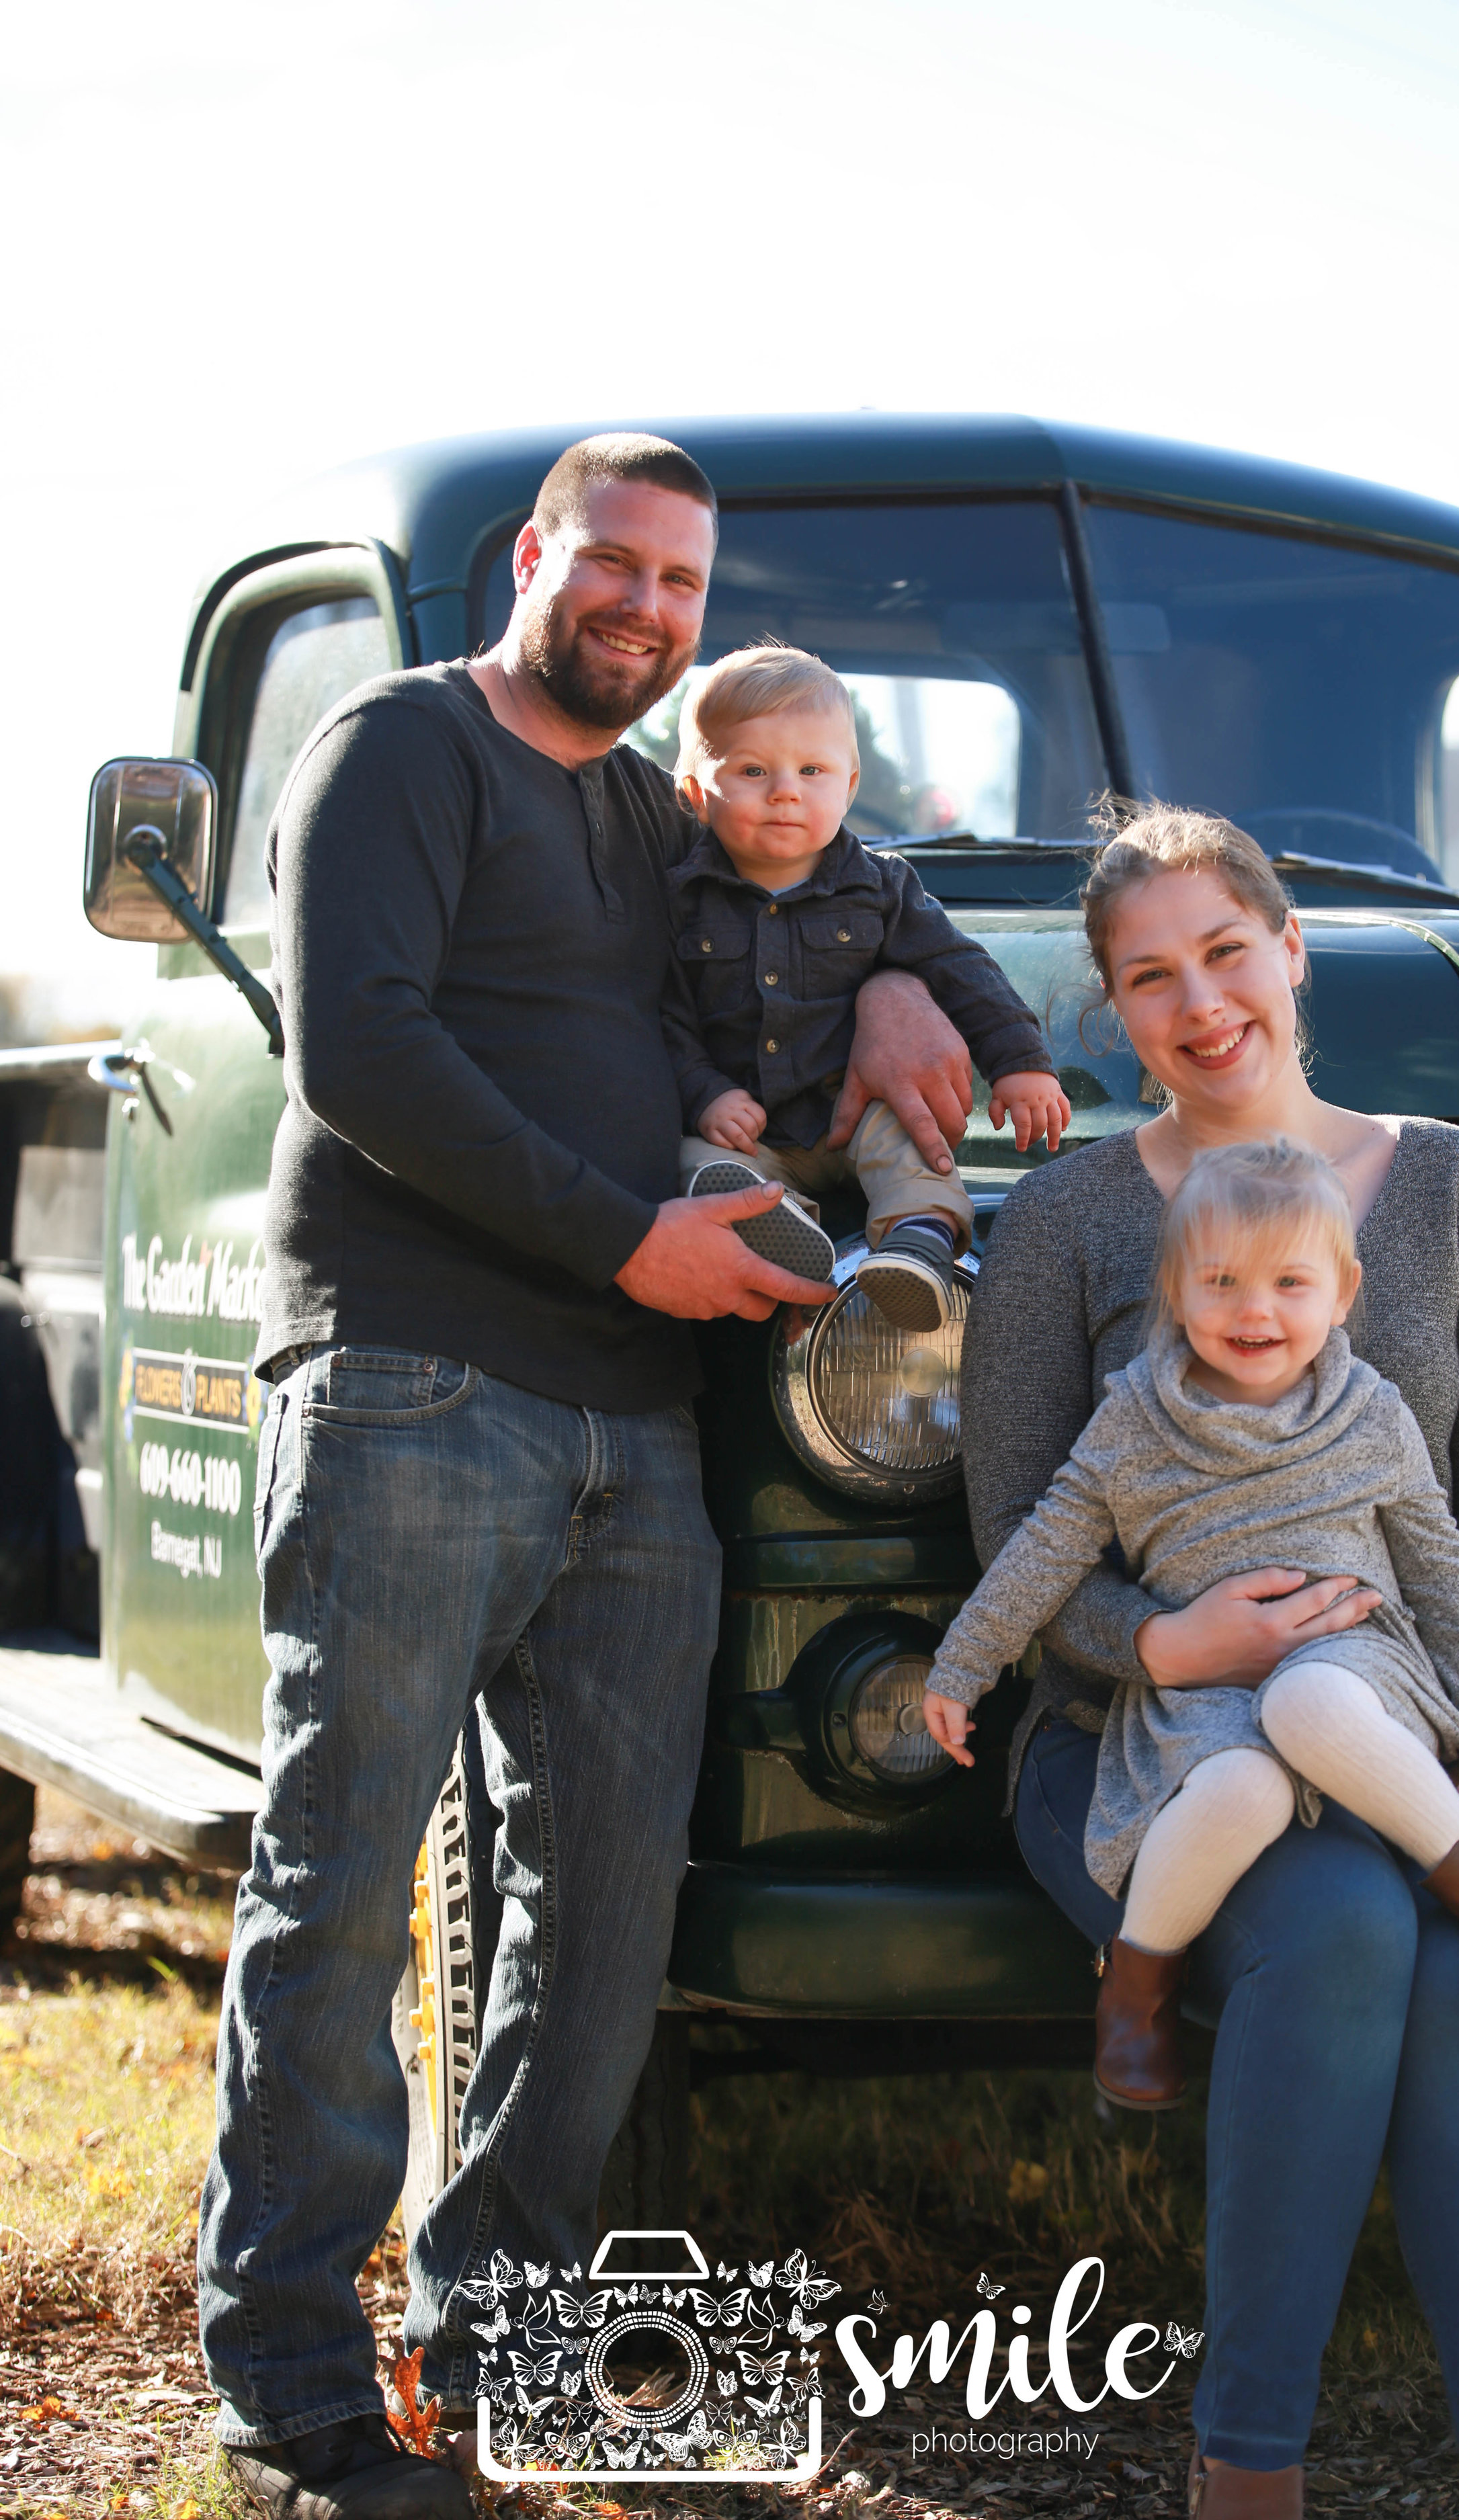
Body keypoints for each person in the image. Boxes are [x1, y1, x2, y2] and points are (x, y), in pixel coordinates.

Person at [200, 433, 978, 2520]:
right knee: (343, 1881)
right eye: (612, 563)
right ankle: (287, 2386)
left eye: (681, 584)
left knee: (603, 1913)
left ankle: (512, 2337)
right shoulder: (398, 748)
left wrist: (897, 970)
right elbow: (356, 1048)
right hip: (409, 1382)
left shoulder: (658, 809)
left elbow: (820, 910)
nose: (646, 606)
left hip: (641, 1425)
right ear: (534, 556)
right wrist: (625, 1234)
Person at [959, 803, 1459, 2520]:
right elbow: (1013, 1538)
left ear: (1292, 947)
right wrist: (1163, 1639)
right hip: (1155, 1759)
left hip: (1417, 1734)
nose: (1200, 1001)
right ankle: (1250, 2471)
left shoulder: (1456, 1187)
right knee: (1341, 1923)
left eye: (1226, 950)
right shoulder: (1066, 1220)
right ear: (1114, 1011)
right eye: (1148, 976)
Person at [923, 1134, 1459, 2107]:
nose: (1255, 1308)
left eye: (1290, 1281)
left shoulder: (1369, 1413)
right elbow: (1044, 1547)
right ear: (1174, 1290)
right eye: (1220, 1280)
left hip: (1358, 1662)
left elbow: (1441, 1563)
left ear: (1343, 1291)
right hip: (1205, 1690)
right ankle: (1136, 1987)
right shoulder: (1135, 1421)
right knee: (1237, 1789)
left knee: (1309, 1700)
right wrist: (963, 1664)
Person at [663, 643, 1070, 1330]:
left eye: (811, 770)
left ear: (849, 785)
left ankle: (917, 1243)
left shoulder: (882, 887)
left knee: (912, 1146)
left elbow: (961, 969)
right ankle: (788, 1233)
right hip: (750, 1125)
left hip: (854, 1108)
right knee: (690, 1160)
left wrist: (1020, 1063)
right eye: (754, 769)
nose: (785, 789)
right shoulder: (679, 903)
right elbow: (662, 1013)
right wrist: (705, 1092)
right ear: (696, 794)